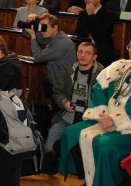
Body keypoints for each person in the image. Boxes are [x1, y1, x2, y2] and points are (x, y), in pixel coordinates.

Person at [58, 44, 131, 186]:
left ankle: (105, 181)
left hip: (127, 126)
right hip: (106, 117)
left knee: (102, 144)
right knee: (70, 133)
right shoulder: (119, 67)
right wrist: (102, 114)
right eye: (130, 47)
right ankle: (87, 176)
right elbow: (99, 89)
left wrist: (115, 121)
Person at [43, 42, 103, 173]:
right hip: (68, 116)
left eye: (87, 53)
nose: (82, 55)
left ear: (94, 57)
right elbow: (57, 92)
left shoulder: (102, 76)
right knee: (48, 147)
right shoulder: (68, 71)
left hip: (89, 120)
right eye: (80, 52)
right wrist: (64, 102)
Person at [22, 13, 76, 85]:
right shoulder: (54, 36)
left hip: (64, 86)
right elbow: (26, 33)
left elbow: (38, 57)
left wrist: (33, 35)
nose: (42, 31)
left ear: (55, 27)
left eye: (44, 27)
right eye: (40, 27)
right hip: (56, 82)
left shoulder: (62, 42)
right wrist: (30, 22)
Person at [74, 0, 116, 66]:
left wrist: (91, 15)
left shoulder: (108, 14)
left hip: (102, 52)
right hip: (85, 49)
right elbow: (78, 32)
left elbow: (102, 34)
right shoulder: (83, 13)